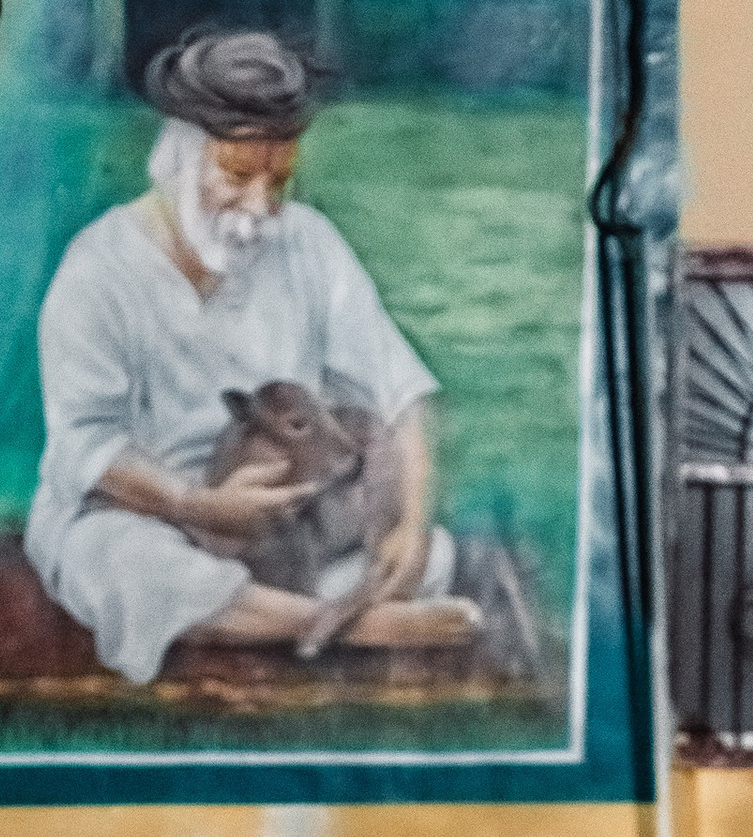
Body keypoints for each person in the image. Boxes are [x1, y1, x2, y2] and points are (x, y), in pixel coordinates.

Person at [25, 26, 477, 686]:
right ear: (176, 156)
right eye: (237, 176)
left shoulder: (309, 244)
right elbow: (83, 446)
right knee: (119, 562)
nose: (259, 206)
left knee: (430, 553)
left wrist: (410, 522)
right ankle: (344, 625)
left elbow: (399, 390)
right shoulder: (98, 269)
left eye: (280, 181)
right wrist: (193, 505)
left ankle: (289, 608)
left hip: (293, 526)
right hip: (147, 516)